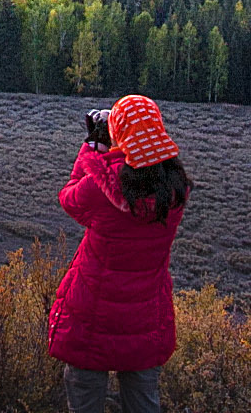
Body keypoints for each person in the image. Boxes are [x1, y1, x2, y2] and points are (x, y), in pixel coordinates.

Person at [46, 94, 192, 413]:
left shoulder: (102, 189)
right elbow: (148, 170)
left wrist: (94, 147)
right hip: (145, 321)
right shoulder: (177, 190)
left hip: (90, 321)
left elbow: (69, 199)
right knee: (143, 403)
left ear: (120, 135)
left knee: (85, 402)